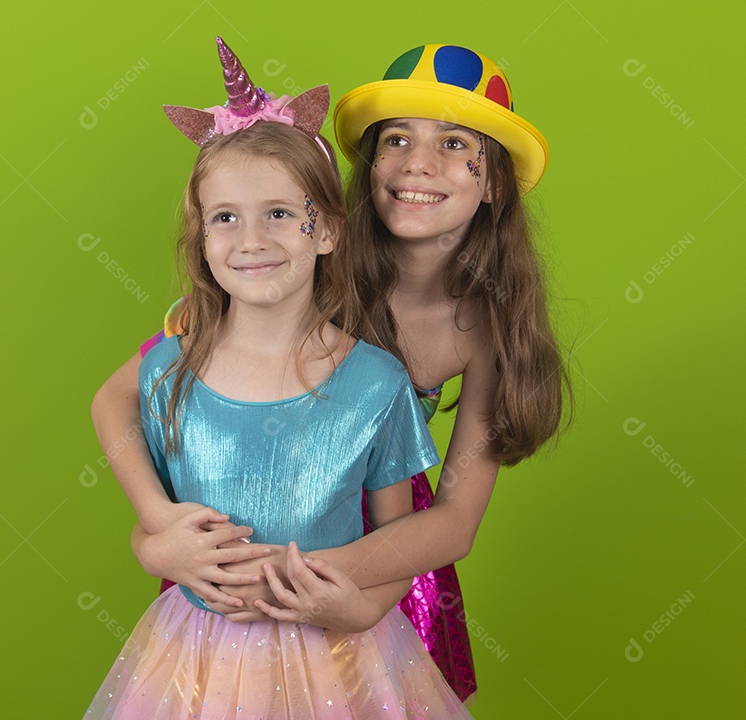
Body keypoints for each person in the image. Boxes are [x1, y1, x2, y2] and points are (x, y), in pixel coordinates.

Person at [92, 43, 572, 704]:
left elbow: (455, 522)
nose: (419, 163)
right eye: (397, 139)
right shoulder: (286, 271)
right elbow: (119, 399)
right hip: (243, 545)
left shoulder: (484, 329)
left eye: (456, 144)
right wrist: (154, 534)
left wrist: (310, 579)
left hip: (381, 562)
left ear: (495, 182)